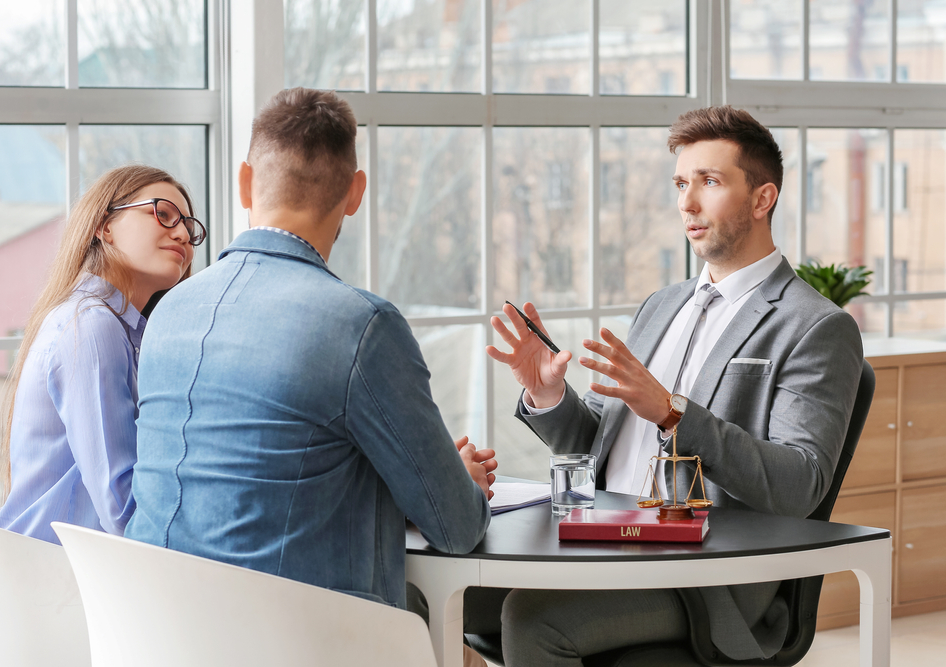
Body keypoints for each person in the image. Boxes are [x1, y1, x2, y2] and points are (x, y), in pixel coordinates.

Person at [482, 106, 864, 665]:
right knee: (458, 597)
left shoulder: (815, 326)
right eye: (682, 183)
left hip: (709, 578)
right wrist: (547, 394)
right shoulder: (660, 306)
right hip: (606, 538)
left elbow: (800, 484)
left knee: (531, 618)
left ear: (763, 199)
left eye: (710, 182)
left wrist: (673, 414)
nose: (686, 203)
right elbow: (595, 444)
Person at [125, 88, 493, 619]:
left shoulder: (168, 312)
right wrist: (461, 486)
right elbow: (456, 529)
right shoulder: (363, 325)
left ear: (245, 181)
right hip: (298, 639)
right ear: (356, 192)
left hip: (157, 629)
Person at [0, 165, 203, 545]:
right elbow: (122, 510)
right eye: (163, 213)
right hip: (53, 580)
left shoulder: (122, 329)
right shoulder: (92, 325)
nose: (184, 234)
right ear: (105, 226)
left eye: (190, 226)